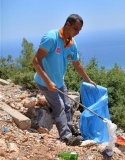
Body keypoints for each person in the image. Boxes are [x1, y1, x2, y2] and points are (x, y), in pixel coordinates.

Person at [32, 14, 96, 146]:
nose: (77, 33)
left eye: (79, 30)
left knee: (67, 106)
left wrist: (88, 79)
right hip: (45, 81)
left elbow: (77, 64)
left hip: (59, 81)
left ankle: (70, 130)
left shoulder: (72, 43)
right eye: (76, 29)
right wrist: (48, 81)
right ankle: (66, 137)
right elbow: (36, 61)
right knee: (59, 106)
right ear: (67, 24)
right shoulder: (51, 38)